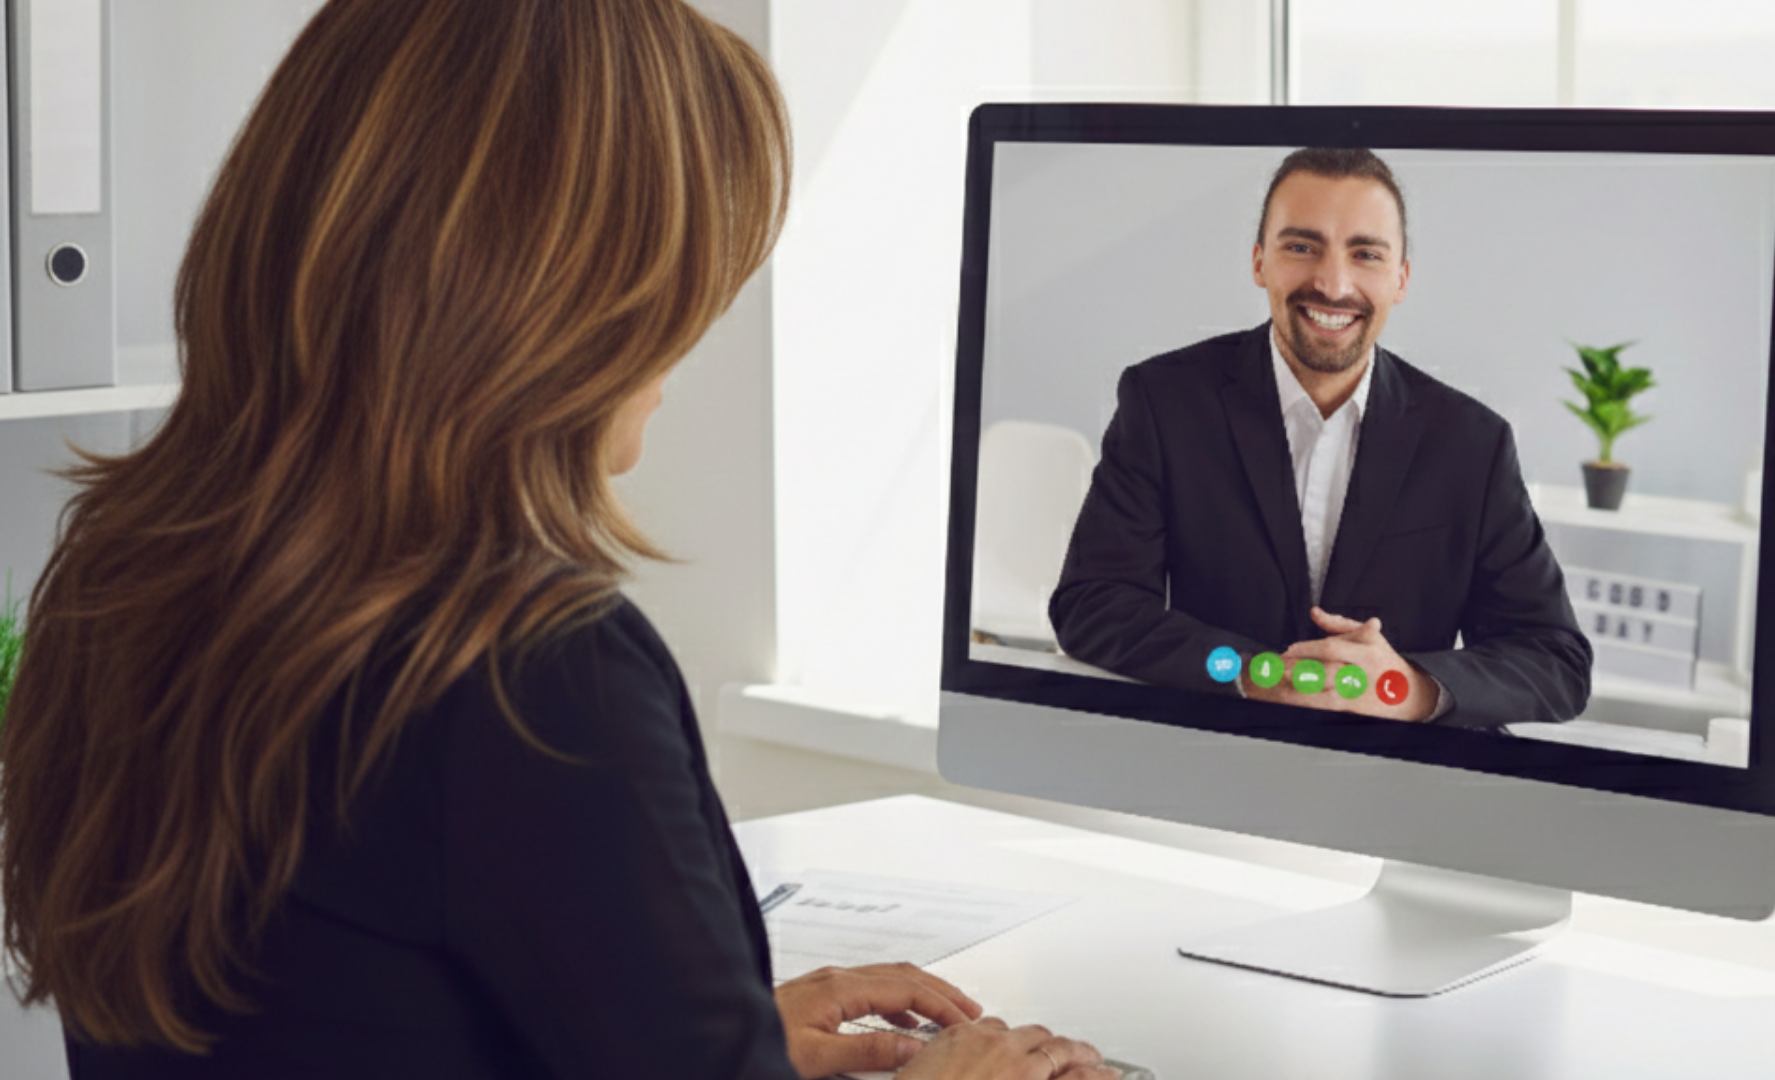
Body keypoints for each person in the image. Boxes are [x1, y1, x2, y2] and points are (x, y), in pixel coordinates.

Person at [0, 3, 1113, 1078]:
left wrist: (704, 1034)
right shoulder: (527, 669)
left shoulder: (119, 576)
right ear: (556, 295)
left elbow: (339, 1012)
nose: (687, 336)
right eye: (678, 282)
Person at [1049, 148, 1590, 731]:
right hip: (1214, 755)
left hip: (1396, 780)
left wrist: (1404, 688)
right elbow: (1093, 603)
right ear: (1260, 262)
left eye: (1366, 254)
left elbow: (1555, 659)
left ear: (1401, 277)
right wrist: (1249, 671)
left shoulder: (1472, 444)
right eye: (1301, 247)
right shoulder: (1163, 401)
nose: (1334, 284)